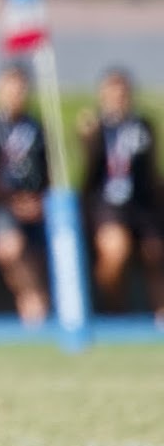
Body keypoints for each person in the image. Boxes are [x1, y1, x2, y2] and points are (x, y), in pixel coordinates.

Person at [77, 67, 164, 321]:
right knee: (116, 251)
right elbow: (88, 172)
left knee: (155, 252)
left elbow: (150, 172)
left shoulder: (142, 126)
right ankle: (114, 309)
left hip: (140, 205)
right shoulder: (95, 127)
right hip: (108, 205)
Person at [0, 62, 50, 327]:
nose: (16, 92)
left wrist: (39, 201)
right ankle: (34, 301)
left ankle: (35, 309)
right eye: (10, 86)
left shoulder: (38, 128)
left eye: (21, 87)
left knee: (40, 256)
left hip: (39, 205)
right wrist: (13, 201)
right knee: (11, 248)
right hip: (3, 206)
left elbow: (50, 170)